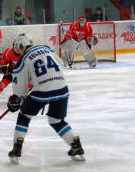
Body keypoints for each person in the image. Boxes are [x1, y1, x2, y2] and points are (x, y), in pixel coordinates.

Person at [7, 33, 85, 163]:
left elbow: (20, 93)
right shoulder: (46, 48)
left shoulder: (23, 59)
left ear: (21, 46)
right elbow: (59, 64)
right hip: (62, 88)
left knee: (24, 115)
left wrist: (15, 100)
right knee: (56, 120)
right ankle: (75, 145)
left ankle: (17, 147)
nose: (18, 51)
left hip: (41, 92)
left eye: (18, 48)